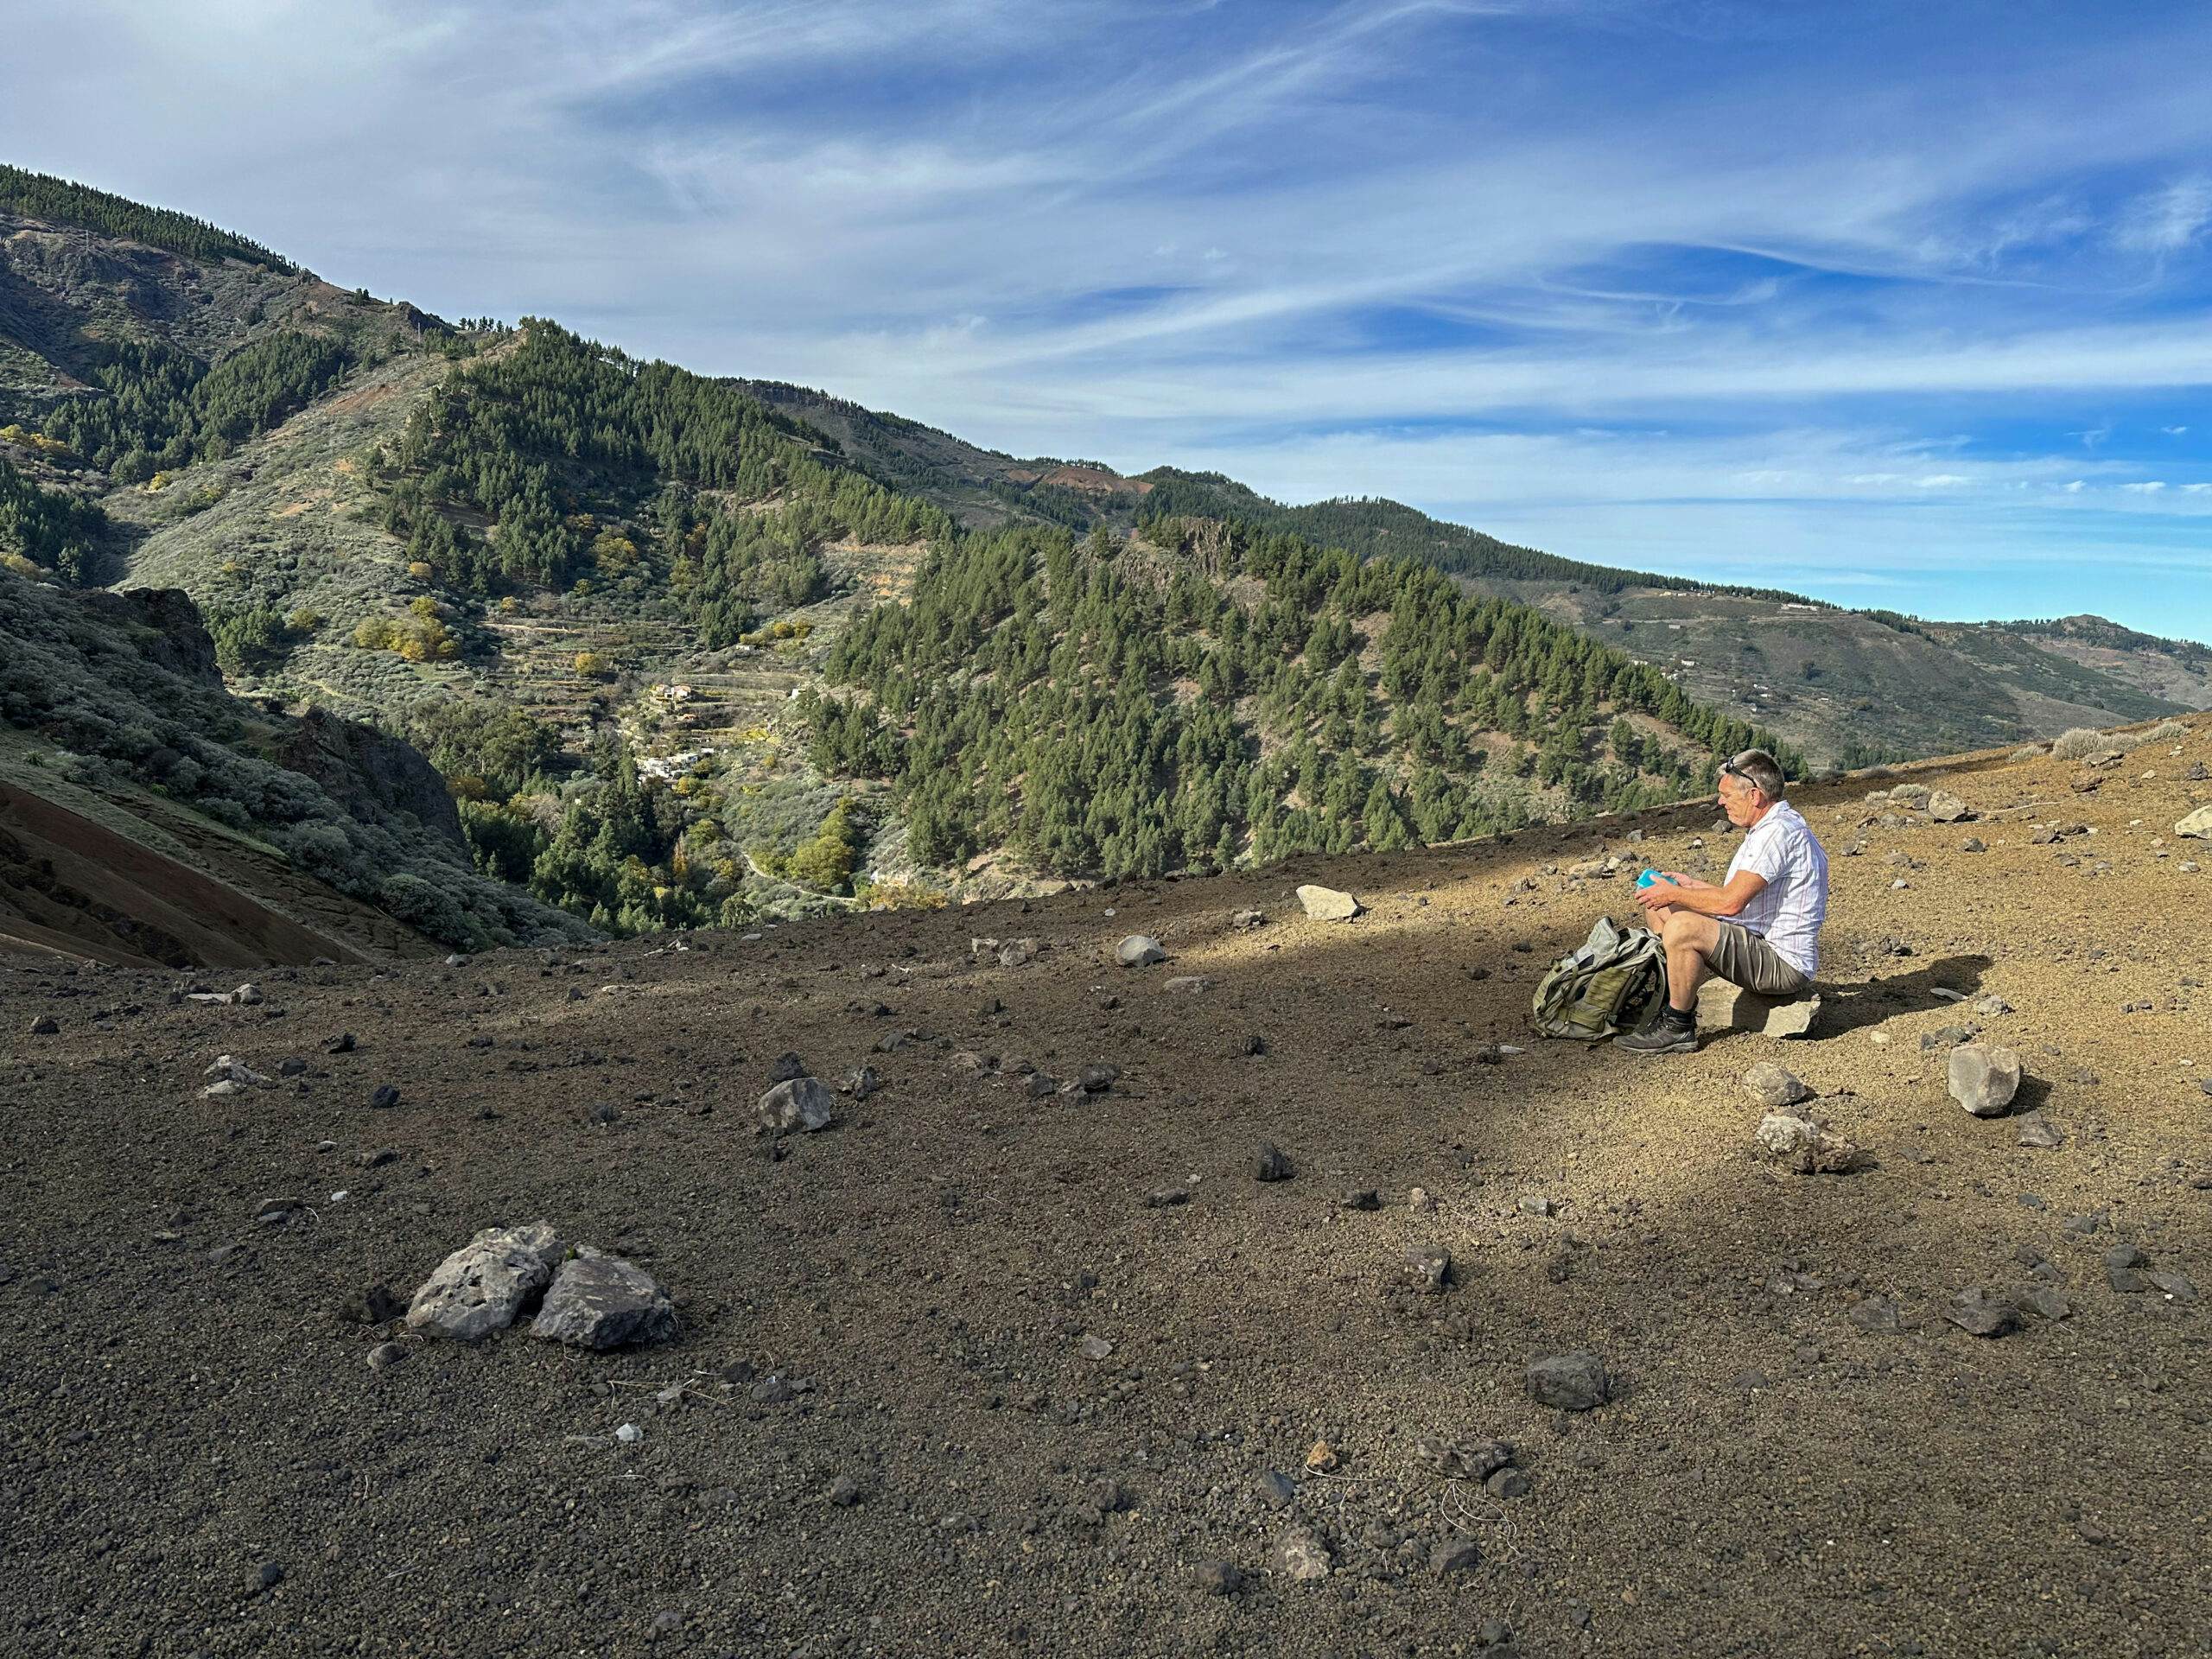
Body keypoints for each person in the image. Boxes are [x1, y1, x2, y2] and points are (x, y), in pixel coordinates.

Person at [1613, 747, 1828, 1055]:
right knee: (1661, 906)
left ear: (1754, 796)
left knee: (1683, 925)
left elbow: (1730, 904)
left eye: (1727, 795)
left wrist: (1676, 893)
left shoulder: (1777, 834)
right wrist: (1688, 887)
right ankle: (1674, 995)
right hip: (1759, 944)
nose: (1720, 802)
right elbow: (1745, 897)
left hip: (1782, 964)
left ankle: (1678, 1025)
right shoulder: (1772, 827)